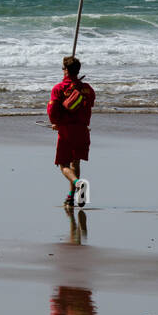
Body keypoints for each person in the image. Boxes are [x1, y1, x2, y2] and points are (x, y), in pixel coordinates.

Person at [47, 55, 96, 208]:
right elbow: (90, 105)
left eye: (63, 68)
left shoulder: (59, 88)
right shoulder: (87, 88)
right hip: (82, 130)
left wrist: (55, 123)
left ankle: (78, 183)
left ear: (66, 71)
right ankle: (71, 198)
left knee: (63, 164)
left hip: (66, 131)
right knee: (75, 162)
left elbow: (52, 110)